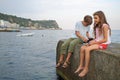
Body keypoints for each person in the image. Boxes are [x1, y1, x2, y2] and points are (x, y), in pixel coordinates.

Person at [74, 11, 111, 77]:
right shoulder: (97, 26)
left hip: (103, 43)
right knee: (82, 48)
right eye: (94, 18)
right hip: (98, 42)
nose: (94, 20)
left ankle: (86, 68)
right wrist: (92, 41)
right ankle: (81, 66)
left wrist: (94, 42)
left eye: (96, 18)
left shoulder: (105, 26)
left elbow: (105, 39)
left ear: (101, 18)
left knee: (87, 49)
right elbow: (97, 38)